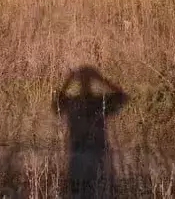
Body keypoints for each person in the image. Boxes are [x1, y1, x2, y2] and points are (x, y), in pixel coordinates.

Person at [54, 66, 127, 197]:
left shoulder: (74, 102)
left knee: (81, 192)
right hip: (95, 155)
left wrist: (69, 80)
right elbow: (122, 96)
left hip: (81, 156)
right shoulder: (99, 102)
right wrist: (101, 79)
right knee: (98, 191)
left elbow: (56, 105)